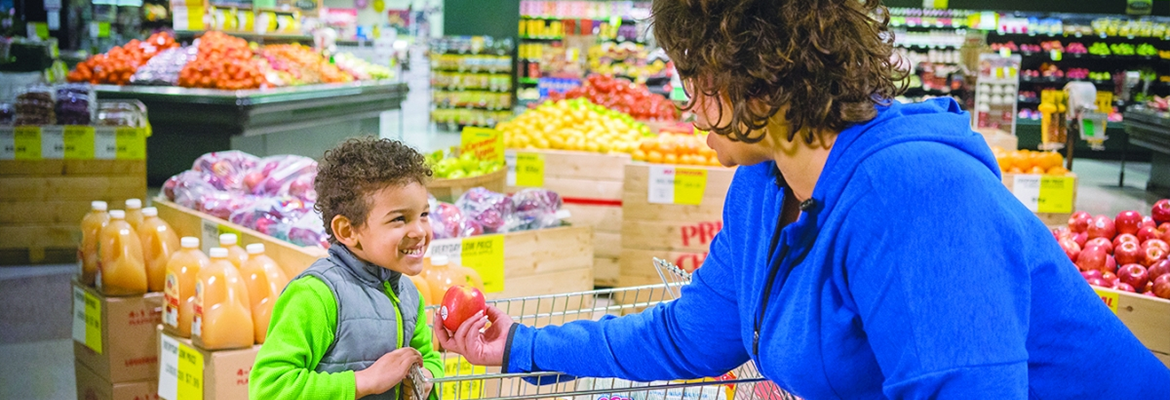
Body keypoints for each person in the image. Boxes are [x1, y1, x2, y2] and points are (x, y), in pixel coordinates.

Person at [434, 0, 1170, 398]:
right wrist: (521, 346)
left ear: (756, 73)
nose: (684, 103)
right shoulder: (765, 188)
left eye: (693, 75)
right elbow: (689, 336)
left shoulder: (916, 194)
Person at [251, 137, 442, 399]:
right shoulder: (316, 295)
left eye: (424, 214)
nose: (420, 230)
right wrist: (363, 382)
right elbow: (269, 388)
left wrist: (427, 376)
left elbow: (428, 357)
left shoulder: (408, 293)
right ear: (347, 230)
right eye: (400, 219)